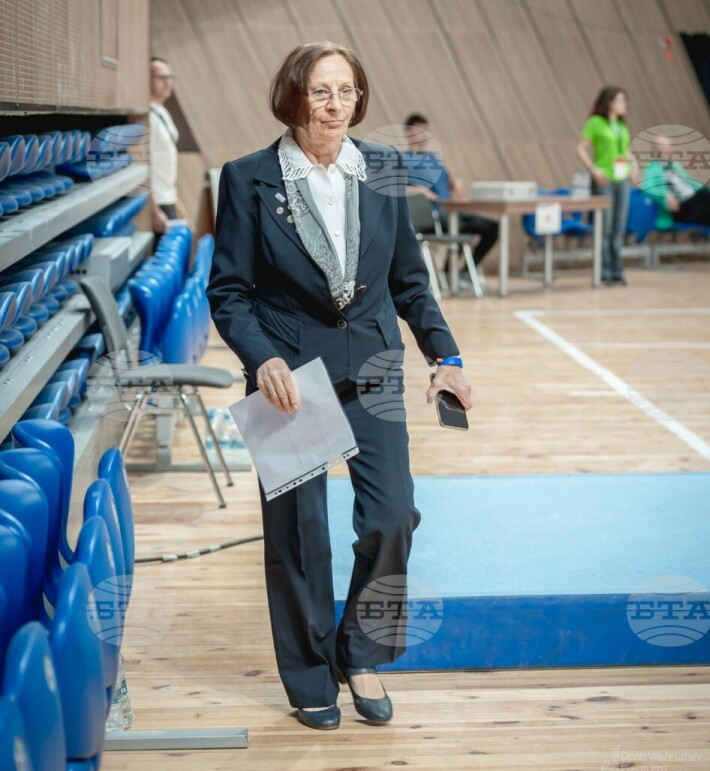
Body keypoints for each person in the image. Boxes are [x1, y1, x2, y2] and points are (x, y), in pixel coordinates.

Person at [206, 42, 472, 731]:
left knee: (393, 516)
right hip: (288, 377)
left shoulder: (383, 169)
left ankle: (361, 652)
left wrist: (446, 355)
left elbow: (409, 281)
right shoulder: (246, 177)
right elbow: (229, 292)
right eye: (321, 91)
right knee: (299, 536)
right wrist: (262, 358)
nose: (335, 105)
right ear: (293, 96)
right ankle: (308, 678)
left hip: (374, 367)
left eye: (346, 91)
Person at [402, 114, 498, 286]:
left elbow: (448, 178)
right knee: (461, 227)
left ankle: (464, 272)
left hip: (452, 212)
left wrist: (455, 182)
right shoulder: (402, 160)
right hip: (433, 217)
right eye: (418, 130)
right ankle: (449, 274)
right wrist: (419, 190)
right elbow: (396, 187)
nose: (423, 135)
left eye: (425, 131)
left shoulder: (433, 159)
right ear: (408, 133)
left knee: (492, 227)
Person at [641, 134, 710, 272]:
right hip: (678, 209)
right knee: (705, 194)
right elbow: (647, 188)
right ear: (656, 150)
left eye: (668, 146)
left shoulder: (675, 166)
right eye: (662, 147)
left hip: (695, 207)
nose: (667, 149)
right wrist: (665, 196)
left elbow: (692, 183)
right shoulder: (651, 169)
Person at [576, 86, 637, 285]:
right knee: (605, 227)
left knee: (618, 228)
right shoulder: (595, 122)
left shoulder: (621, 125)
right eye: (620, 100)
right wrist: (593, 169)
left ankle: (616, 270)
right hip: (604, 180)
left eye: (624, 101)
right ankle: (604, 271)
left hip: (622, 179)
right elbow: (581, 148)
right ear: (609, 102)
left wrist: (634, 163)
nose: (624, 104)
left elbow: (626, 150)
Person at [148, 57, 184, 238]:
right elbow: (142, 166)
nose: (168, 82)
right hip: (156, 202)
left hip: (168, 198)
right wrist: (154, 210)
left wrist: (175, 201)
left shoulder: (162, 111)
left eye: (170, 77)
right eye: (161, 77)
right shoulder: (145, 116)